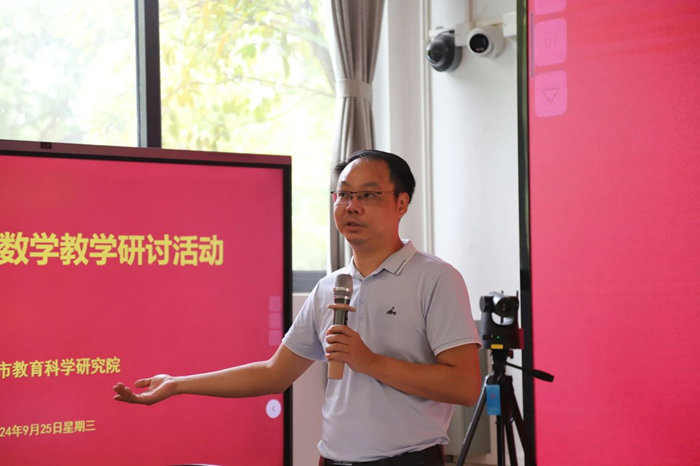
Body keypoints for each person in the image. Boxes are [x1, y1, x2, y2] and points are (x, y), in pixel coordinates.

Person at [113, 149, 482, 466]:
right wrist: (177, 384)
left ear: (401, 203)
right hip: (332, 458)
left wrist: (370, 362)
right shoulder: (330, 288)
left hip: (408, 460)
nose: (351, 206)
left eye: (368, 195)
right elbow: (274, 373)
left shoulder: (435, 278)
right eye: (343, 194)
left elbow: (465, 386)